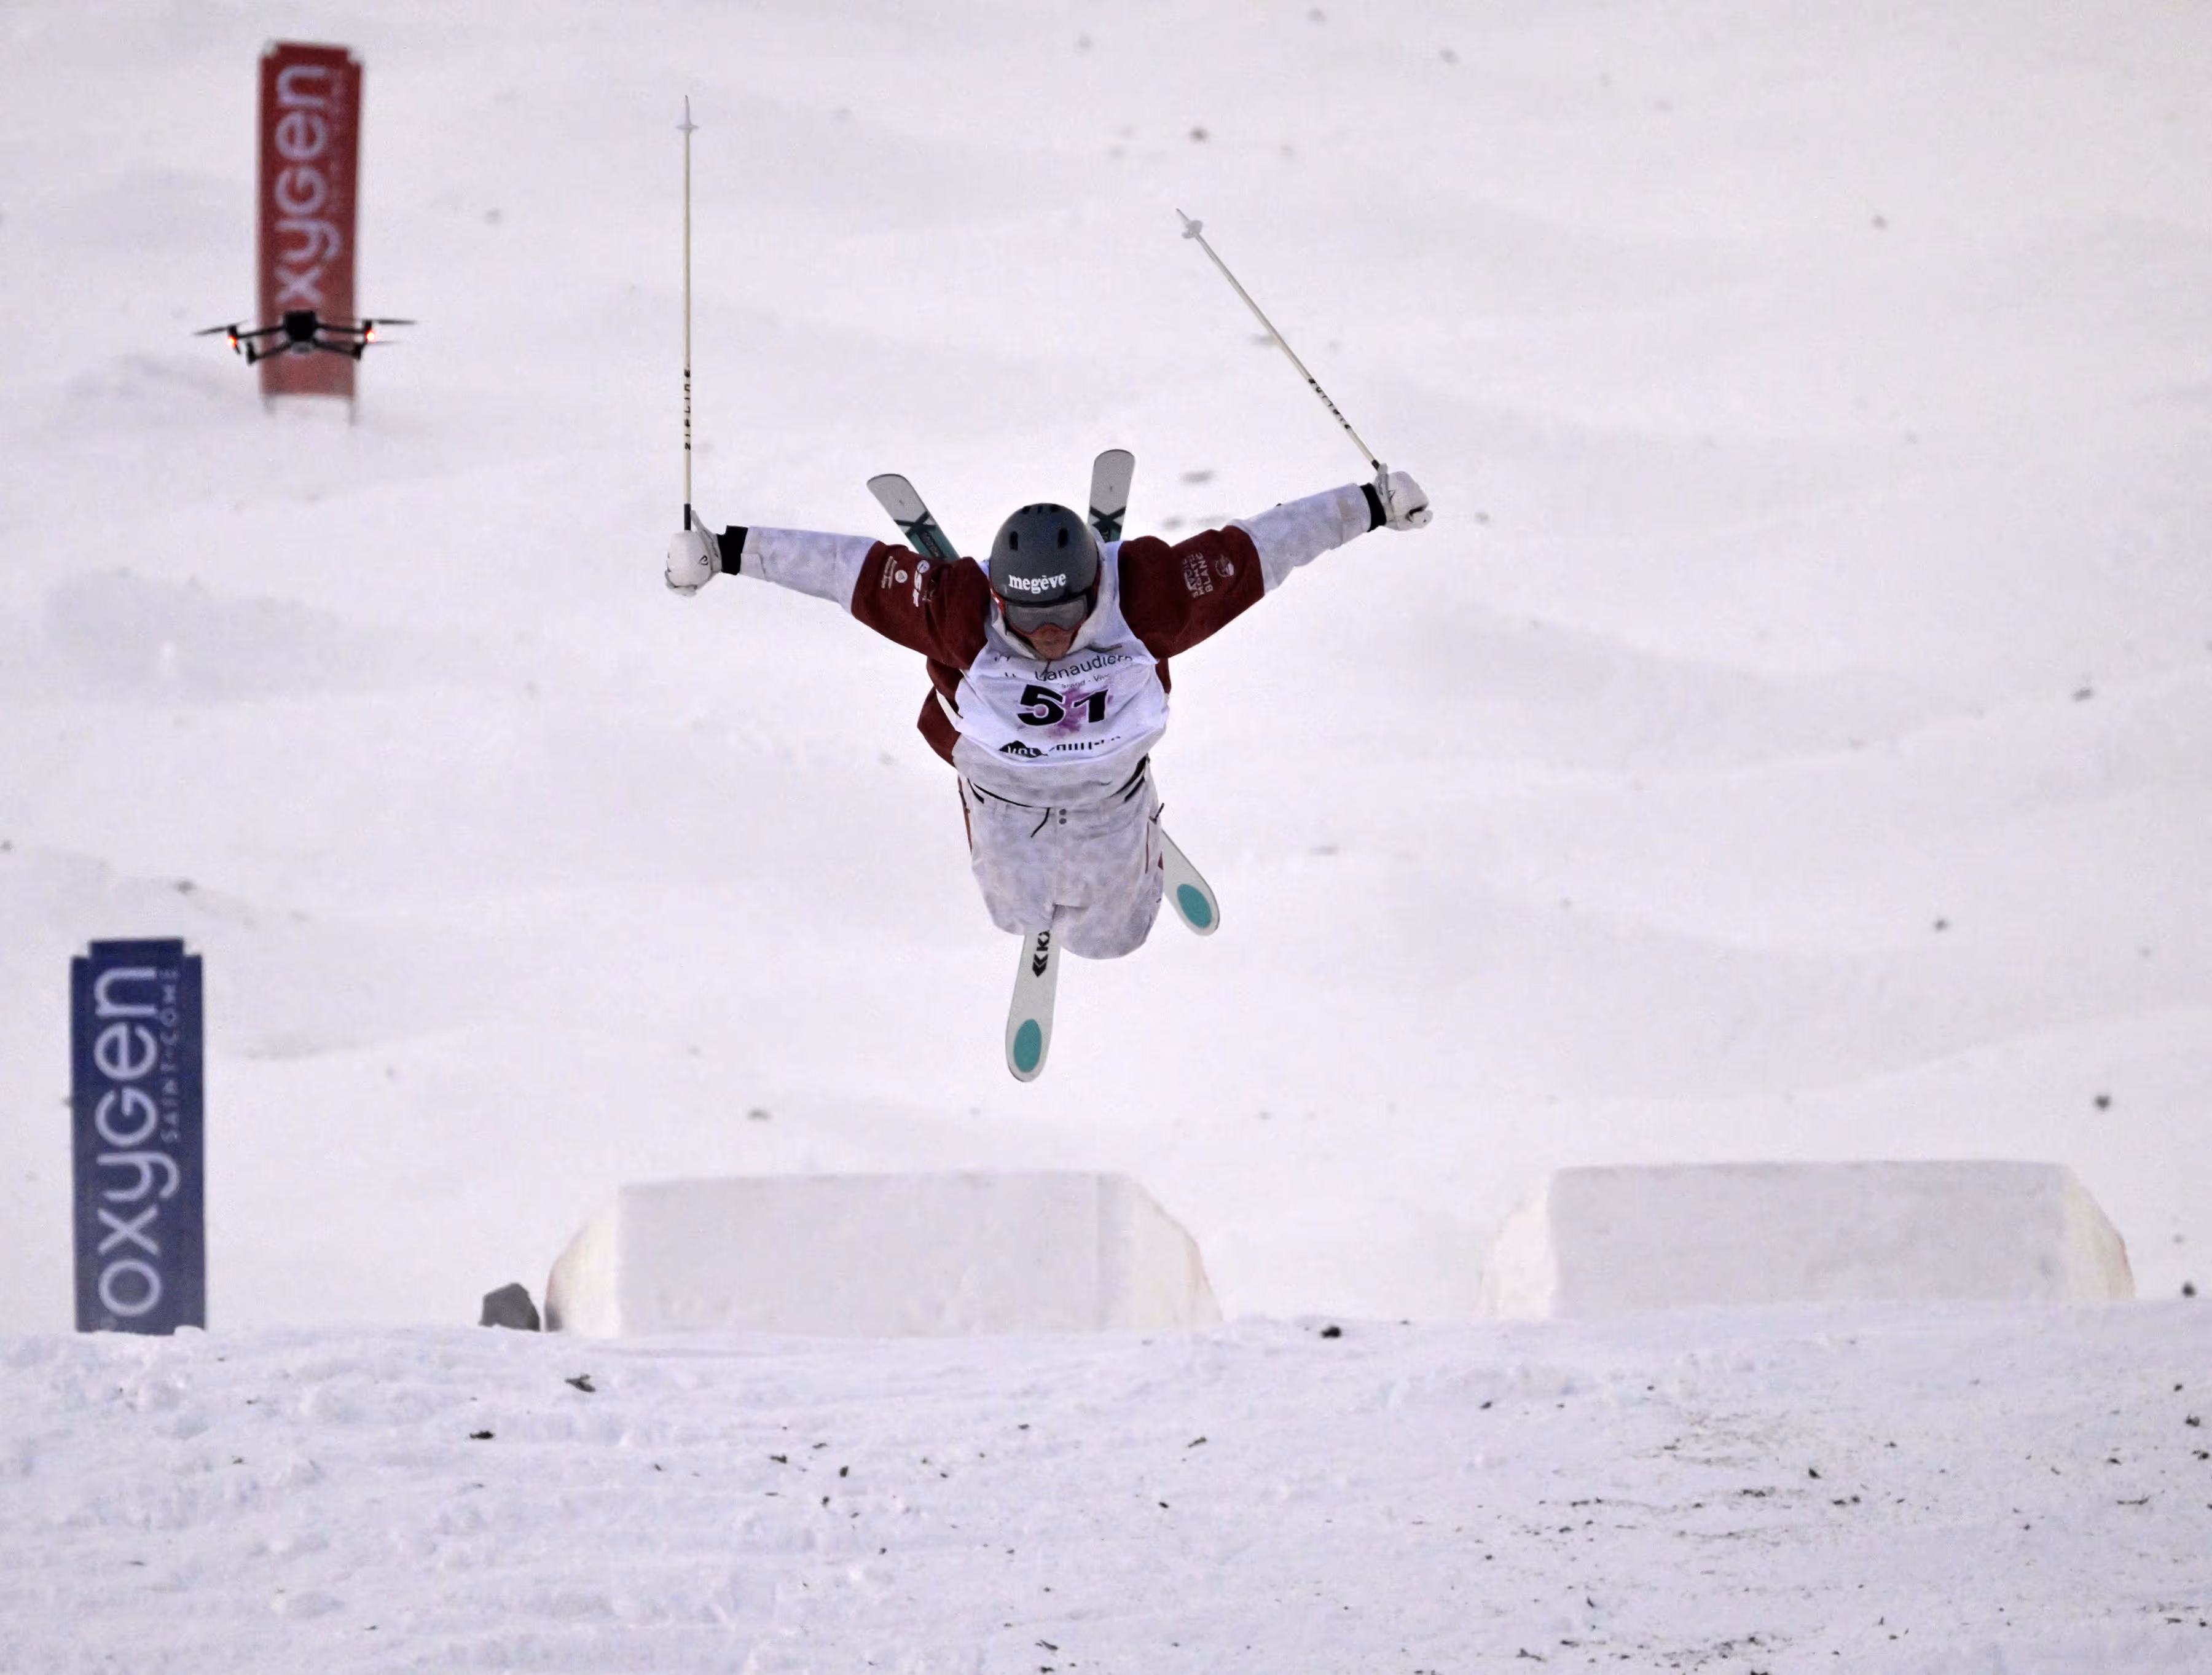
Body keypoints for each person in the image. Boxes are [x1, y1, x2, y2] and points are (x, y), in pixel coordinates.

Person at [665, 469, 1430, 961]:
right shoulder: (957, 609)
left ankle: (1139, 853)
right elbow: (845, 569)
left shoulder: (1151, 596)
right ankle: (1070, 874)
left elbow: (1265, 548)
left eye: (1065, 610)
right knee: (1011, 908)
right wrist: (726, 550)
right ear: (1001, 593)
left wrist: (1367, 504)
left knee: (1118, 936)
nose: (1049, 633)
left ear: (1094, 583)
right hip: (1003, 792)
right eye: (1029, 616)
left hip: (1109, 789)